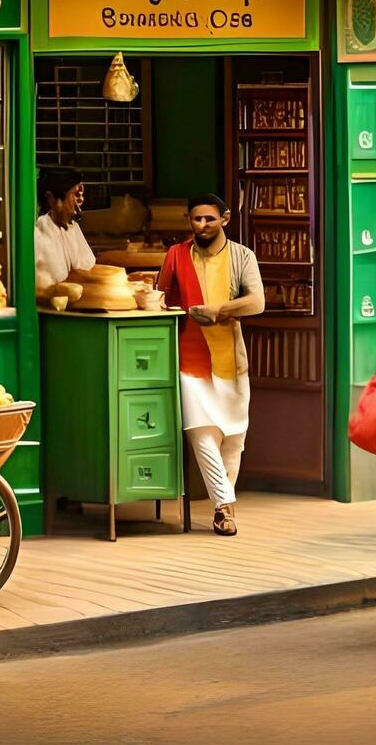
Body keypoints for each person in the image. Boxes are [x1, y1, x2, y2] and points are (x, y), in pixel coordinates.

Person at [157, 194, 264, 536]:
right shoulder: (177, 255)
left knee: (233, 439)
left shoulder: (241, 256)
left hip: (232, 359)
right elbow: (159, 299)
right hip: (189, 357)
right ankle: (224, 506)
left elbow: (256, 302)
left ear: (226, 219)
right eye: (196, 219)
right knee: (201, 433)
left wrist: (218, 311)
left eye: (209, 219)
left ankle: (224, 501)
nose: (202, 225)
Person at [34, 166, 96, 290]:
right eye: (75, 194)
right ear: (52, 199)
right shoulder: (39, 234)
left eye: (81, 194)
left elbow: (88, 267)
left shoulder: (74, 228)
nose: (81, 200)